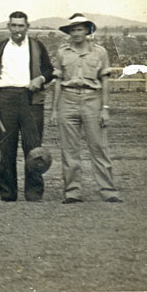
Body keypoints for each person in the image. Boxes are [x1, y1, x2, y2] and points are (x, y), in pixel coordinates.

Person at [49, 13, 122, 204]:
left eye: (80, 29)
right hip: (68, 99)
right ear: (69, 32)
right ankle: (72, 192)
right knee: (69, 149)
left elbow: (104, 81)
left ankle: (108, 190)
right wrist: (54, 110)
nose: (76, 33)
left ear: (88, 30)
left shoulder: (100, 52)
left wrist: (105, 108)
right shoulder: (62, 52)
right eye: (73, 29)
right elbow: (57, 81)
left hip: (92, 100)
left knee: (99, 146)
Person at [0, 11, 54, 202]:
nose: (17, 29)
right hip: (6, 99)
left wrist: (40, 79)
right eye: (14, 25)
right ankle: (8, 193)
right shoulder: (1, 47)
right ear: (8, 26)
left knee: (33, 148)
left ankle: (34, 193)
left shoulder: (36, 46)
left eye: (21, 26)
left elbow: (49, 71)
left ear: (27, 26)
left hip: (30, 99)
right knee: (7, 149)